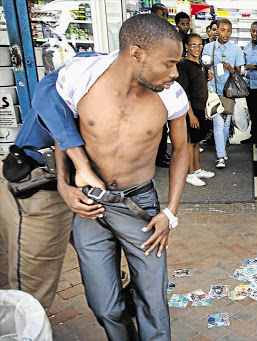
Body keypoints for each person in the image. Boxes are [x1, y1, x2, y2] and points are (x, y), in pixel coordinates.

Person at [55, 15, 189, 340]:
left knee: (153, 303)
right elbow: (61, 132)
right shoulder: (80, 79)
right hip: (90, 206)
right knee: (105, 306)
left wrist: (169, 212)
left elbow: (182, 150)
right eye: (169, 63)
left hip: (139, 205)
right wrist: (63, 184)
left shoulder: (170, 94)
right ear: (136, 53)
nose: (175, 73)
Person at [0, 66, 104, 311]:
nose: (173, 73)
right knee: (31, 295)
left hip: (81, 188)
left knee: (103, 257)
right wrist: (67, 178)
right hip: (39, 186)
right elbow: (47, 92)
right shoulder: (90, 70)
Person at [203, 18, 244, 168]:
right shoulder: (209, 47)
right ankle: (220, 156)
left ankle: (223, 150)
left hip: (229, 91)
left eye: (228, 30)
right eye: (222, 30)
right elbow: (204, 66)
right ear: (216, 31)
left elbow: (239, 72)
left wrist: (230, 68)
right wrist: (209, 70)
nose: (225, 33)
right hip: (213, 90)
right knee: (218, 123)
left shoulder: (236, 49)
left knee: (226, 123)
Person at [177, 33, 215, 186]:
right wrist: (190, 114)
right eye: (193, 45)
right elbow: (184, 92)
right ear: (186, 47)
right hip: (191, 109)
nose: (197, 48)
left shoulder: (199, 64)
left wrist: (207, 75)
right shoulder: (183, 65)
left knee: (197, 141)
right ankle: (190, 173)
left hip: (202, 108)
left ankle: (197, 170)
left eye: (200, 45)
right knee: (190, 142)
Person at [151, 4, 172, 168]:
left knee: (163, 123)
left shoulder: (166, 36)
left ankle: (161, 155)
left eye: (166, 15)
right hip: (149, 85)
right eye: (161, 14)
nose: (164, 17)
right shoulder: (147, 36)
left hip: (164, 85)